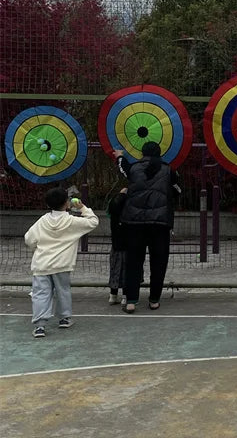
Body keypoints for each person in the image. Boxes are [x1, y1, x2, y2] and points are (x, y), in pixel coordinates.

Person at [112, 141, 180, 313]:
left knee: (134, 262)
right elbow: (178, 189)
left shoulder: (133, 169)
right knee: (159, 262)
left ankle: (131, 301)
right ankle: (154, 300)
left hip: (134, 223)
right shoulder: (168, 170)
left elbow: (123, 168)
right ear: (160, 153)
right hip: (160, 224)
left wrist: (120, 156)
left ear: (142, 153)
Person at [24, 186, 99, 338]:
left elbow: (29, 239)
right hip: (62, 264)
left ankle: (40, 326)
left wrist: (36, 248)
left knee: (40, 294)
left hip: (42, 264)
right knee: (63, 291)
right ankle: (64, 318)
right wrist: (83, 208)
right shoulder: (71, 221)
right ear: (67, 203)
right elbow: (93, 222)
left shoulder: (42, 221)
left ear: (47, 204)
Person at [107, 187, 128, 305]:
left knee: (115, 270)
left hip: (115, 246)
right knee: (127, 271)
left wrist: (119, 194)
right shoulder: (128, 217)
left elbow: (111, 206)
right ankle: (125, 296)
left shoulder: (113, 216)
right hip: (128, 247)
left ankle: (113, 295)